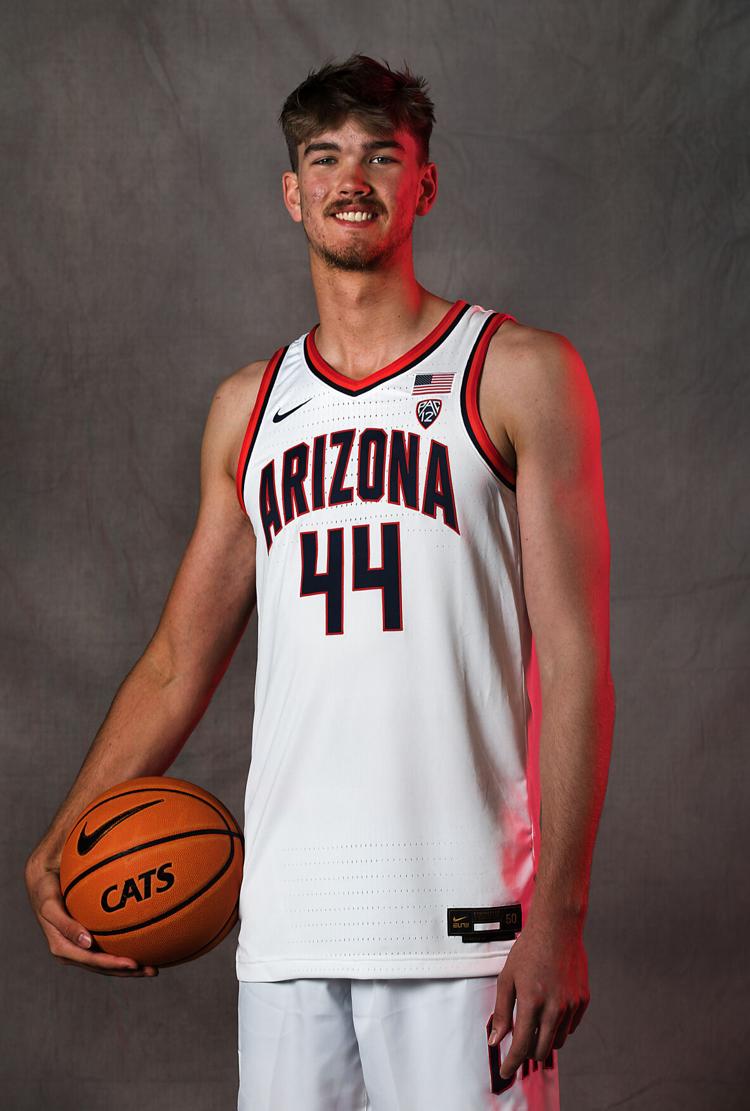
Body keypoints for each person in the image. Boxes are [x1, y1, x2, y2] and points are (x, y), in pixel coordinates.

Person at [25, 53, 615, 1109]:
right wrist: (71, 831)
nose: (355, 178)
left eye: (383, 156)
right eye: (326, 156)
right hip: (289, 929)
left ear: (424, 186)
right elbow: (174, 665)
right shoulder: (249, 408)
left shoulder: (516, 371)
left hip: (467, 928)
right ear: (292, 191)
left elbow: (576, 660)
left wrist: (559, 917)